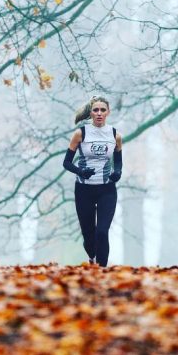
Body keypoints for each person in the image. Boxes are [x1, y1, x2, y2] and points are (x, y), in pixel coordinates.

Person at [62, 96, 123, 267]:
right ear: (91, 112)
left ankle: (103, 271)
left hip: (107, 190)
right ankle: (92, 256)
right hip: (84, 190)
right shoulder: (81, 133)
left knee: (102, 232)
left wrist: (117, 172)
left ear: (108, 112)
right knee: (89, 237)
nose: (99, 113)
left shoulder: (115, 135)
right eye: (96, 110)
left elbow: (118, 161)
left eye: (103, 110)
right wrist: (80, 171)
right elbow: (66, 162)